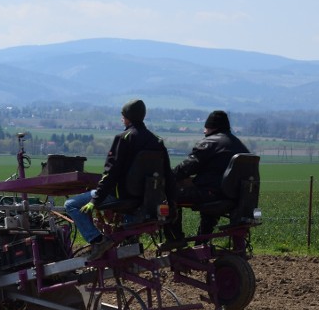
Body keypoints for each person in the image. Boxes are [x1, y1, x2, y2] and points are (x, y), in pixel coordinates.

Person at [65, 99, 174, 260]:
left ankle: (98, 241)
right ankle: (130, 239)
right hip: (145, 199)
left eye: (123, 116)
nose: (122, 119)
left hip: (122, 196)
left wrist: (95, 201)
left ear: (127, 117)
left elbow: (110, 174)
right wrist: (172, 203)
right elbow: (168, 175)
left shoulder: (124, 138)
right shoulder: (157, 141)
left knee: (71, 205)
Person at [162, 110, 250, 247]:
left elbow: (187, 168)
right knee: (209, 200)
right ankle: (201, 241)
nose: (204, 132)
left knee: (167, 196)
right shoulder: (240, 146)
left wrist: (168, 178)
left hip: (212, 194)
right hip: (234, 197)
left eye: (206, 128)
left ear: (211, 127)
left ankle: (175, 238)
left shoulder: (210, 142)